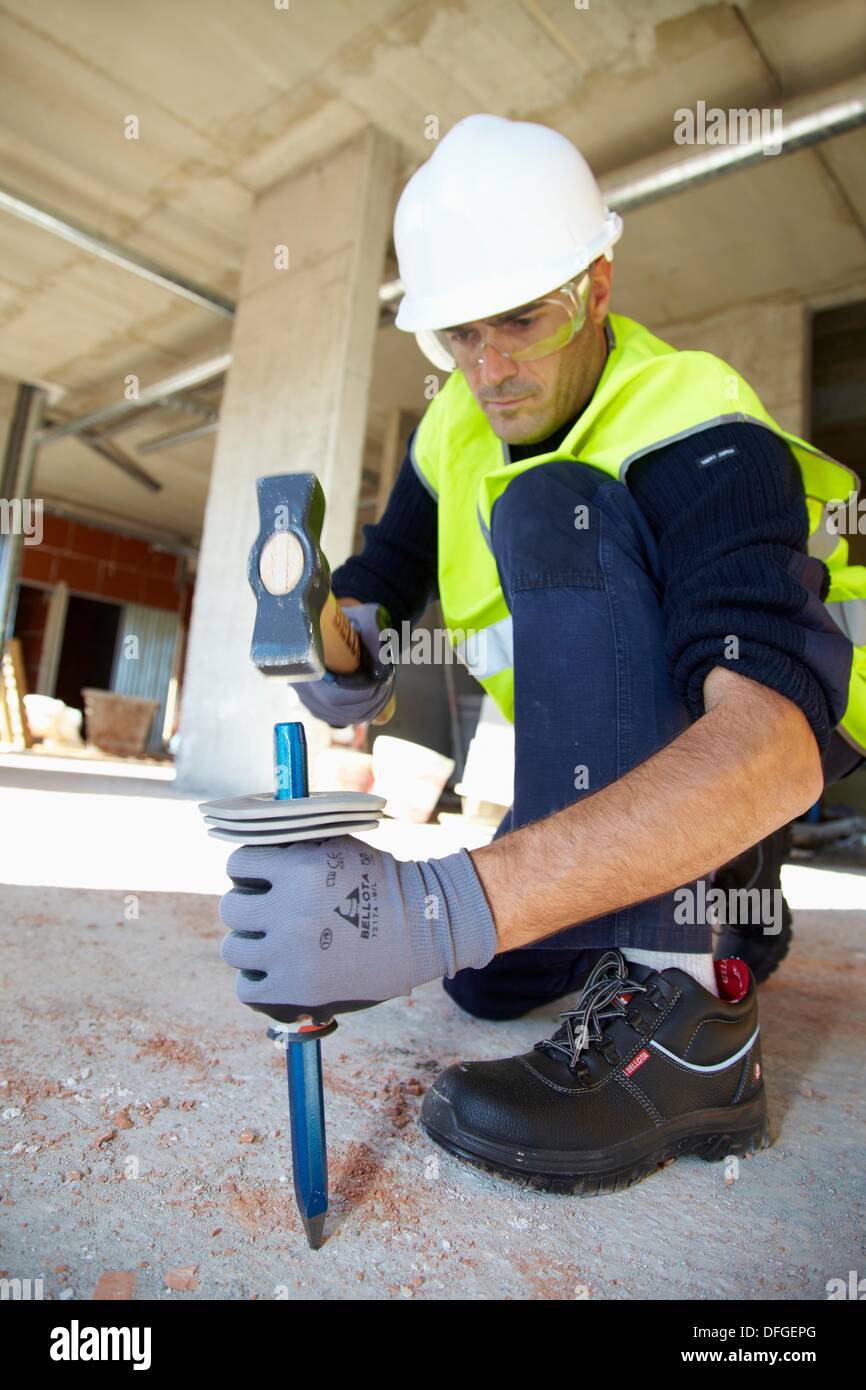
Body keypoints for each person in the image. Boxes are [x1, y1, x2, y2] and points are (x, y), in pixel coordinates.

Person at [219, 115, 865, 1194]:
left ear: (597, 286)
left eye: (520, 319)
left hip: (753, 750)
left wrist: (431, 907)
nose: (489, 369)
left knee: (552, 509)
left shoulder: (699, 429)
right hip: (601, 763)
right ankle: (734, 896)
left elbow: (771, 746)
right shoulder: (453, 433)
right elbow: (382, 573)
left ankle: (694, 1011)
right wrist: (345, 648)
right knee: (485, 980)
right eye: (457, 336)